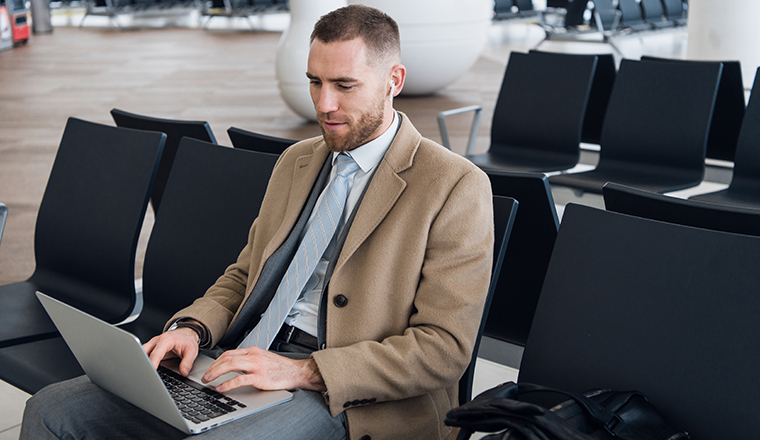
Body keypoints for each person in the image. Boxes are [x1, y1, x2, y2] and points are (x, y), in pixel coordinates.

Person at [20, 4, 494, 440]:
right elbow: (246, 275)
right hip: (243, 360)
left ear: (394, 80)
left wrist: (304, 371)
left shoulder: (454, 186)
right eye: (314, 81)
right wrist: (192, 329)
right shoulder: (297, 162)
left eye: (345, 86)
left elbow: (443, 349)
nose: (324, 104)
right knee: (51, 409)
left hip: (345, 393)